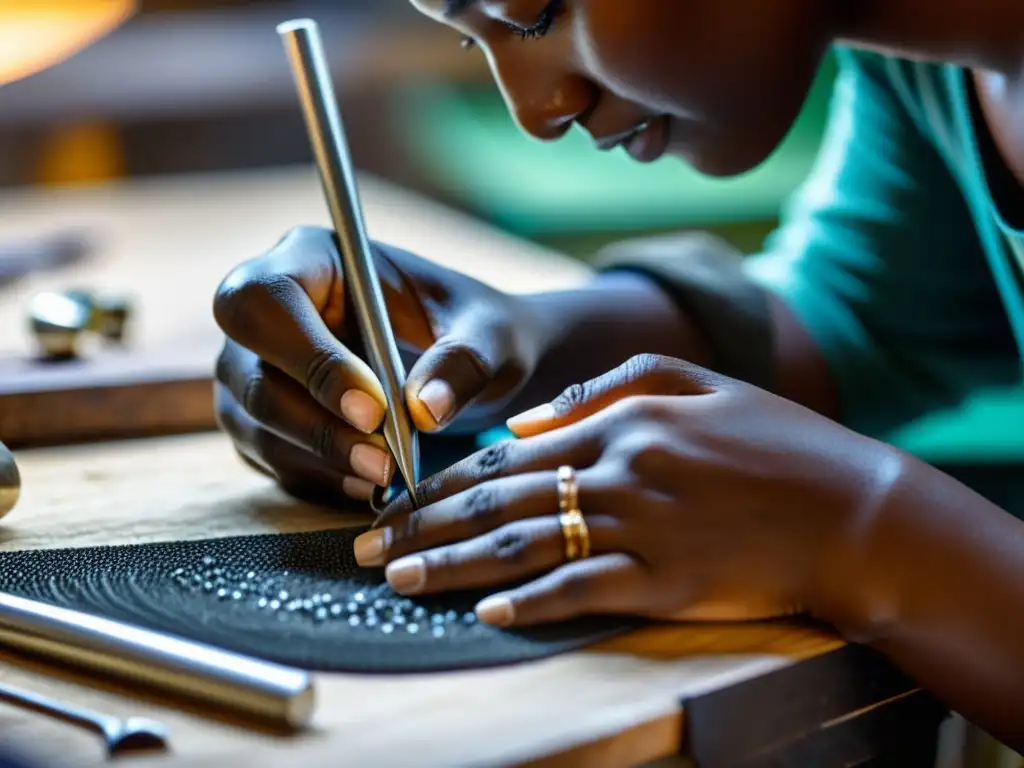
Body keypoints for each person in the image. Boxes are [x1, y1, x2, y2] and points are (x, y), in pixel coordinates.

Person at [211, 0, 1024, 750]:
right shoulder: (920, 59)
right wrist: (522, 337)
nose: (536, 111)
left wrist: (864, 531)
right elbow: (860, 318)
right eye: (471, 36)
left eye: (534, 13)